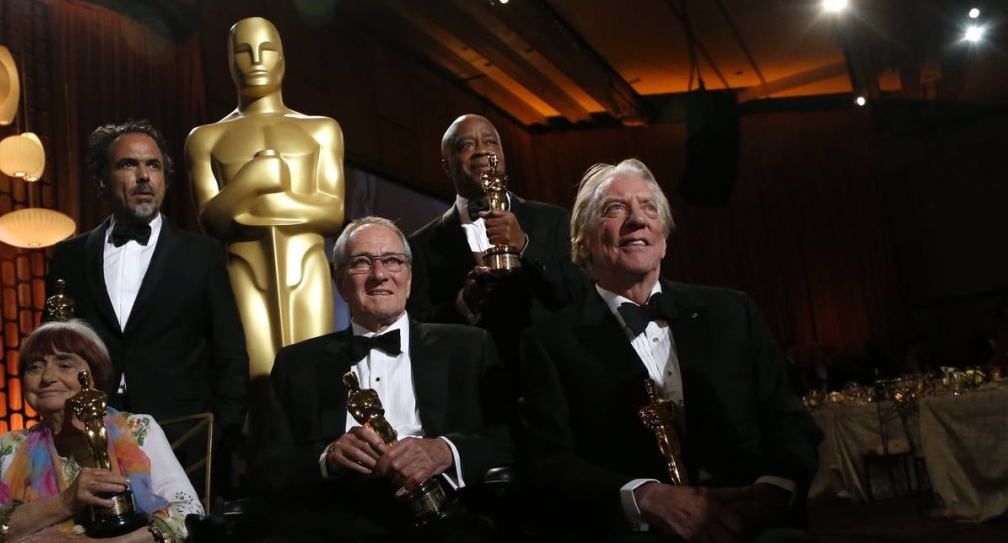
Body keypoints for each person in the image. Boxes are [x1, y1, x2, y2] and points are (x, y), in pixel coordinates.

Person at [519, 159, 822, 541]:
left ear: (663, 237)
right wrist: (644, 497)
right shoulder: (551, 342)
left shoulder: (734, 312)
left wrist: (773, 491)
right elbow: (550, 463)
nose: (637, 219)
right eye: (615, 209)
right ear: (582, 239)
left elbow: (790, 420)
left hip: (755, 525)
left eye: (649, 208)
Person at [249, 217, 512, 542]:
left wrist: (445, 450)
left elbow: (509, 438)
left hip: (447, 519)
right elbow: (268, 466)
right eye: (361, 262)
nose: (379, 275)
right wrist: (327, 459)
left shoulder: (470, 346)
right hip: (337, 524)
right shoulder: (296, 362)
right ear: (340, 282)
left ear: (409, 278)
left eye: (392, 261)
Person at [45, 120, 249, 493]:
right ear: (102, 180)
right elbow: (52, 353)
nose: (143, 177)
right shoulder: (69, 257)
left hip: (185, 440)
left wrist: (221, 432)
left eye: (153, 166)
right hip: (89, 440)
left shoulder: (200, 254)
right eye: (128, 165)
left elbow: (230, 352)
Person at [185, 16, 344, 380]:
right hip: (243, 268)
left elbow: (333, 212)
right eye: (243, 51)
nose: (256, 60)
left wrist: (261, 206)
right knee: (258, 378)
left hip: (306, 267)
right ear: (229, 62)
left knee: (314, 375)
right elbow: (211, 219)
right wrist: (252, 179)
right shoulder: (206, 137)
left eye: (266, 50)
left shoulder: (320, 129)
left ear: (282, 59)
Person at [0, 320, 203, 542]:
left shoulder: (138, 429)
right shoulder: (12, 444)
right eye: (34, 367)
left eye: (64, 365)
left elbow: (188, 511)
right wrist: (65, 503)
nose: (47, 377)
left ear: (96, 375)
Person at [408, 114, 584, 377]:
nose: (481, 150)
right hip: (470, 388)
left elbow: (579, 294)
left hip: (550, 380)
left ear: (502, 154)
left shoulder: (553, 219)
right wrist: (462, 302)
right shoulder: (420, 245)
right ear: (446, 166)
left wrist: (525, 245)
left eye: (490, 142)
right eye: (466, 145)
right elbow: (417, 329)